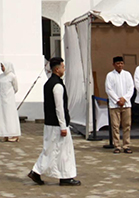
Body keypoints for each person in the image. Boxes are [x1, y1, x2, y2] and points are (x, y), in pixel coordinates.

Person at [27, 56, 81, 187]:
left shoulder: (48, 84)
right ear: (57, 69)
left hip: (50, 124)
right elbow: (59, 107)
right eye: (63, 67)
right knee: (60, 151)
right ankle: (44, 172)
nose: (64, 69)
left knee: (53, 150)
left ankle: (60, 175)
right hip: (57, 125)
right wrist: (63, 126)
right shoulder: (57, 85)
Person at [106, 55, 134, 153]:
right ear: (113, 64)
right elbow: (109, 89)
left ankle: (126, 145)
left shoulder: (127, 74)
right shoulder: (110, 75)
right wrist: (117, 100)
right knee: (115, 126)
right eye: (118, 63)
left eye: (121, 63)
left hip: (126, 104)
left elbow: (131, 88)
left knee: (127, 125)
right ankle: (117, 145)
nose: (120, 65)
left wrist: (124, 99)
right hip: (115, 105)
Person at [0, 62, 21, 141]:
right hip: (2, 99)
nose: (2, 68)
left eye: (2, 66)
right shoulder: (0, 76)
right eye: (1, 66)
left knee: (10, 116)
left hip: (10, 100)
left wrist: (9, 95)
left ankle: (14, 134)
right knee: (3, 116)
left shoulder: (12, 76)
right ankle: (5, 134)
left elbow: (16, 88)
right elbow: (0, 86)